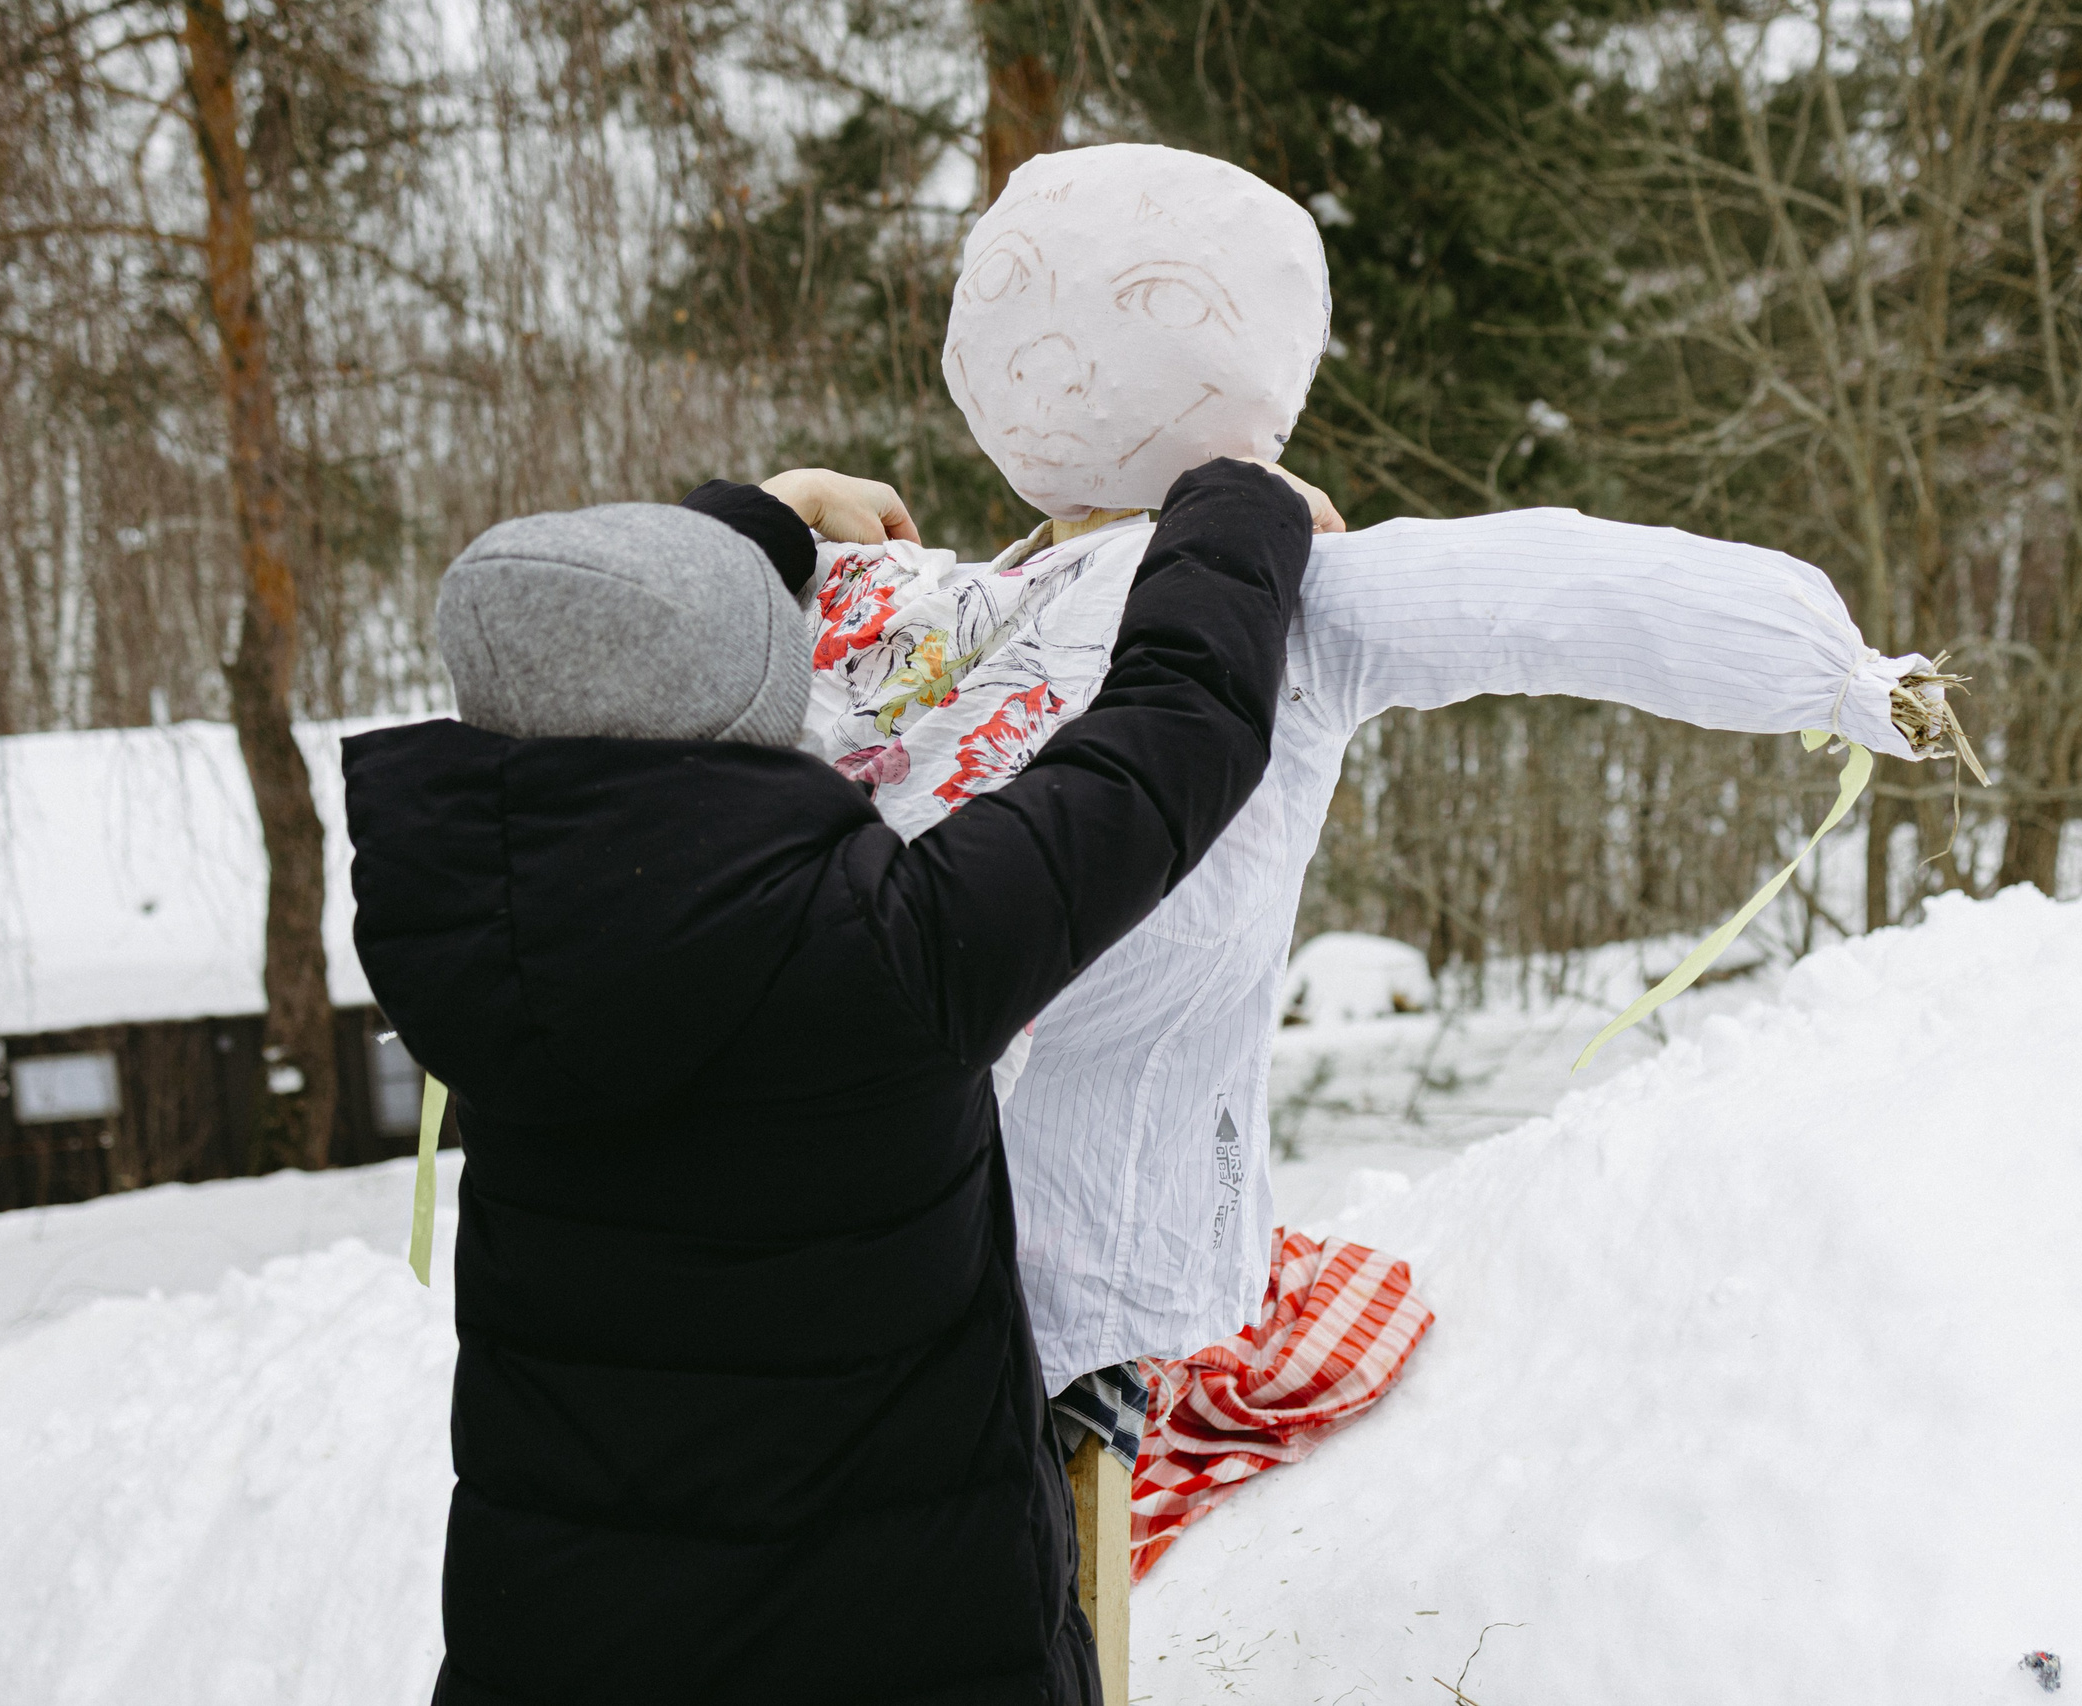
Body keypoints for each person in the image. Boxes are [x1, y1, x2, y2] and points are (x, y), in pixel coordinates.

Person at [795, 142, 1963, 1435]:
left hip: (805, 1221)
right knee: (1030, 1564)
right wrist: (1844, 676)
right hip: (1081, 1256)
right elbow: (1563, 590)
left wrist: (764, 521)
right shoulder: (1283, 599)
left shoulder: (859, 594)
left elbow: (600, 642)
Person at [344, 454, 1326, 1704]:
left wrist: (767, 515)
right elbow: (1165, 742)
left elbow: (607, 658)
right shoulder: (886, 951)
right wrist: (1234, 506)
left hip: (562, 1646)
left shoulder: (479, 940)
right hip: (904, 1646)